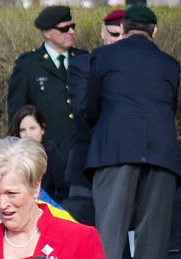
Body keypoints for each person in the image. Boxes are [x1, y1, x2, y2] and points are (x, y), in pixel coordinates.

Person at [82, 4, 181, 259]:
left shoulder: (103, 57)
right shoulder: (170, 64)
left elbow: (90, 109)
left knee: (108, 238)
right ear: (154, 32)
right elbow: (170, 109)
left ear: (123, 29)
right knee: (151, 241)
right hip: (160, 154)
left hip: (115, 150)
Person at [6, 5, 84, 158]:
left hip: (81, 152)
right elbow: (18, 114)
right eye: (64, 29)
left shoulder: (83, 59)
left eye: (72, 26)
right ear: (47, 32)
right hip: (46, 154)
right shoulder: (28, 65)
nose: (71, 32)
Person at [66, 9, 124, 199]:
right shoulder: (84, 65)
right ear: (102, 33)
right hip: (87, 166)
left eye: (124, 35)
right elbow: (83, 112)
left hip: (124, 166)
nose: (119, 41)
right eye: (114, 34)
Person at [7, 105, 68, 202]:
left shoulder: (52, 154)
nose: (28, 134)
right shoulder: (13, 156)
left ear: (42, 129)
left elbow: (63, 190)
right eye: (23, 130)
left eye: (32, 128)